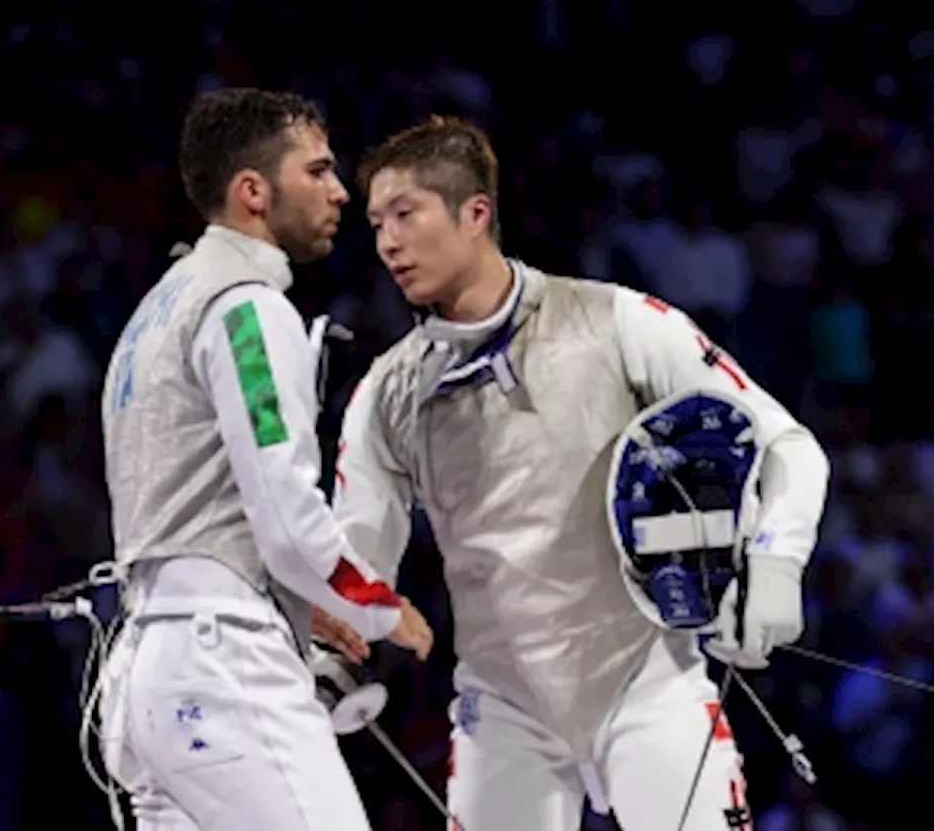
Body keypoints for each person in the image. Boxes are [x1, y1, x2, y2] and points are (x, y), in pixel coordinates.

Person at [318, 117, 830, 831]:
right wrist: (330, 646)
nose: (387, 243)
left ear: (475, 214)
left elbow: (785, 444)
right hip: (502, 710)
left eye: (405, 214)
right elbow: (357, 552)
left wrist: (777, 561)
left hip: (648, 682)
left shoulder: (615, 320)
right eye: (375, 223)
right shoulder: (388, 393)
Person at [95, 87, 432, 831]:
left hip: (147, 676)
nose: (341, 191)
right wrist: (376, 607)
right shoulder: (246, 306)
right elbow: (283, 512)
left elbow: (193, 511)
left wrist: (302, 602)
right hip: (223, 669)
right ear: (254, 191)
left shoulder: (158, 308)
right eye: (317, 171)